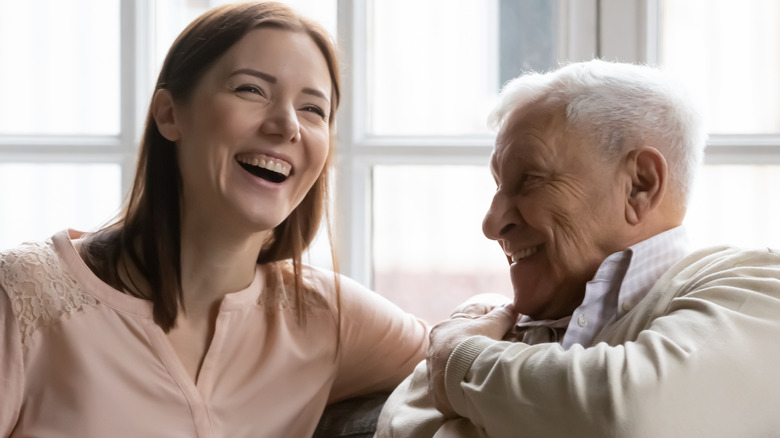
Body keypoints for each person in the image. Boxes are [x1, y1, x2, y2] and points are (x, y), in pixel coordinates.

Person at [0, 3, 428, 437]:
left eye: (313, 109)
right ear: (169, 114)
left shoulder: (326, 319)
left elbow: (464, 355)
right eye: (251, 90)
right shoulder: (23, 297)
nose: (287, 124)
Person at [375, 59, 780, 437]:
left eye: (530, 178)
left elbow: (633, 413)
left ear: (640, 184)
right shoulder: (498, 330)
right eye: (498, 186)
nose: (491, 224)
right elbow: (397, 428)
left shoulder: (757, 290)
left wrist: (458, 360)